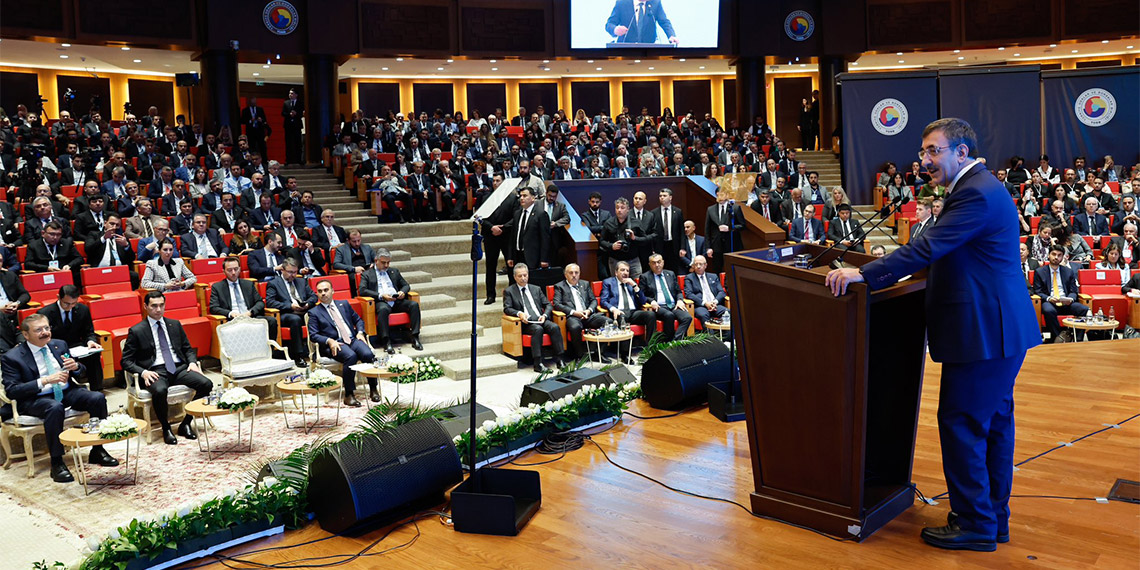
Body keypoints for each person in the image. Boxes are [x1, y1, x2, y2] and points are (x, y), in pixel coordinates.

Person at [825, 117, 1040, 552]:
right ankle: (991, 517)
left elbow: (928, 248)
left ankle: (977, 524)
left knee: (962, 423)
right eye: (923, 151)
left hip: (985, 333)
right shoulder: (974, 187)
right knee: (992, 425)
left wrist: (865, 273)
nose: (924, 160)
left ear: (961, 152)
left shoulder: (976, 194)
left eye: (933, 151)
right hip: (995, 331)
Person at [1, 314, 117, 482]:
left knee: (97, 398)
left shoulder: (59, 345)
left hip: (66, 390)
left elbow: (80, 371)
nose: (45, 333)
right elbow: (12, 390)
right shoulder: (12, 357)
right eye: (38, 330)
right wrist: (45, 380)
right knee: (54, 407)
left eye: (47, 328)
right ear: (26, 335)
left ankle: (98, 450)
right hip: (36, 398)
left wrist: (76, 366)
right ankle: (57, 463)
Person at [121, 291, 213, 445]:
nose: (158, 309)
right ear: (145, 307)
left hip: (178, 368)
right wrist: (143, 372)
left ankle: (185, 423)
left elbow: (188, 349)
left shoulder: (174, 324)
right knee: (160, 390)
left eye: (161, 305)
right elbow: (125, 361)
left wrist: (191, 362)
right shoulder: (137, 330)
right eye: (154, 306)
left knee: (206, 384)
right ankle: (166, 428)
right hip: (155, 371)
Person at [308, 279, 378, 406]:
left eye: (326, 290)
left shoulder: (344, 304)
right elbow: (313, 335)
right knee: (351, 356)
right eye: (320, 291)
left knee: (367, 354)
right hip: (334, 344)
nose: (323, 293)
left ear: (332, 291)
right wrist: (329, 341)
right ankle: (349, 394)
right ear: (317, 294)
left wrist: (360, 332)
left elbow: (358, 320)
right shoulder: (314, 312)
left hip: (351, 339)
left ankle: (373, 389)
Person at [36, 285, 104, 391]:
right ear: (59, 297)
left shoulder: (83, 309)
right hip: (56, 348)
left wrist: (91, 341)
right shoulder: (45, 313)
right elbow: (43, 338)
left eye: (74, 303)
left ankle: (97, 389)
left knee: (94, 355)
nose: (70, 307)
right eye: (66, 303)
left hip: (77, 347)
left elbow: (88, 332)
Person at [504, 263, 565, 372]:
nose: (523, 278)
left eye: (525, 275)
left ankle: (560, 359)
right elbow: (507, 308)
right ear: (514, 277)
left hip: (540, 318)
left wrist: (545, 315)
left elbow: (548, 304)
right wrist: (519, 314)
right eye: (520, 276)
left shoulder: (536, 289)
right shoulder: (509, 291)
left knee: (554, 327)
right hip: (526, 323)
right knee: (538, 329)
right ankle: (538, 363)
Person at [358, 249, 422, 353]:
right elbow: (362, 290)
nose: (386, 265)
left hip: (396, 300)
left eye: (388, 262)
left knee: (414, 305)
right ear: (376, 260)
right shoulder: (367, 274)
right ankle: (386, 341)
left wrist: (402, 292)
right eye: (383, 263)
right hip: (381, 301)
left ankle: (415, 337)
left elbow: (406, 285)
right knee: (383, 309)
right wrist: (381, 296)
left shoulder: (394, 271)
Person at [265, 258, 317, 366]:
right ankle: (298, 356)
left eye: (295, 272)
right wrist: (290, 306)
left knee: (318, 314)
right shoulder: (273, 283)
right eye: (290, 272)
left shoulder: (302, 281)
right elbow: (270, 302)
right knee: (295, 320)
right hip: (287, 314)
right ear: (282, 270)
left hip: (303, 310)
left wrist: (307, 304)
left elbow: (313, 296)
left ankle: (319, 349)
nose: (292, 275)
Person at [553, 263, 611, 359]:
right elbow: (557, 304)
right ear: (565, 274)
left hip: (588, 315)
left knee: (608, 322)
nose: (574, 275)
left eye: (576, 273)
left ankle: (599, 353)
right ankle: (579, 356)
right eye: (571, 273)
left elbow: (593, 300)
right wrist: (574, 312)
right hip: (573, 316)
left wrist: (589, 310)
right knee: (575, 327)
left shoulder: (585, 284)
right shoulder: (560, 286)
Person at [1034, 245, 1089, 343]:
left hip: (1066, 302)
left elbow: (1074, 291)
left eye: (1059, 255)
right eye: (1053, 254)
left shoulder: (1068, 272)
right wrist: (1049, 298)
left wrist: (1070, 299)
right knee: (1048, 310)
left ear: (1063, 257)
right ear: (1048, 255)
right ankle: (1058, 337)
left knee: (1083, 309)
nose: (1056, 257)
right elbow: (1038, 291)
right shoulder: (1040, 272)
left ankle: (1077, 338)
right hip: (1050, 302)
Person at [598, 261, 656, 343]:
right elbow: (603, 301)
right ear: (616, 272)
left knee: (651, 315)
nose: (625, 273)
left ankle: (650, 346)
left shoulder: (631, 283)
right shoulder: (608, 282)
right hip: (619, 312)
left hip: (633, 313)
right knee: (622, 318)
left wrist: (635, 286)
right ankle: (625, 351)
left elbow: (643, 301)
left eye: (627, 271)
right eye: (622, 270)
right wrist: (613, 309)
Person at [639, 253, 691, 340]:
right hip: (659, 306)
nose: (657, 265)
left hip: (674, 306)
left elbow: (678, 291)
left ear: (663, 262)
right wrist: (651, 301)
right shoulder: (645, 277)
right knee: (669, 315)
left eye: (659, 262)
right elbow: (642, 295)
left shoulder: (670, 274)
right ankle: (667, 341)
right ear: (649, 264)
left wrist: (680, 300)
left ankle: (675, 340)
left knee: (687, 317)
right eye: (654, 263)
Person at [505, 187, 550, 284]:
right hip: (517, 255)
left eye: (525, 196)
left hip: (532, 257)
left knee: (532, 284)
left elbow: (545, 238)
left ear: (533, 198)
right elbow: (513, 236)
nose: (521, 198)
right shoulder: (517, 214)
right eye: (520, 196)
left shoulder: (541, 214)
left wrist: (544, 259)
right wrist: (510, 256)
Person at [84, 214, 140, 288]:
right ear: (105, 223)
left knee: (134, 276)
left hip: (118, 271)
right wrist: (103, 238)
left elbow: (131, 258)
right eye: (112, 224)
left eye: (117, 225)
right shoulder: (94, 235)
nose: (114, 227)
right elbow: (88, 250)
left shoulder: (122, 238)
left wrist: (126, 246)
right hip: (99, 270)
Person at [600, 197, 648, 277]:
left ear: (628, 209)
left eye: (622, 208)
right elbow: (601, 241)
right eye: (617, 207)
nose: (619, 210)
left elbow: (645, 240)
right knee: (617, 286)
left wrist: (634, 238)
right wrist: (611, 246)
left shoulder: (636, 222)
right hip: (615, 260)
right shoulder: (609, 223)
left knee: (637, 284)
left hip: (633, 260)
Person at [704, 187, 743, 273]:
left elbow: (742, 225)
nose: (720, 196)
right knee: (717, 269)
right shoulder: (710, 209)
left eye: (722, 194)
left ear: (727, 195)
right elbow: (707, 230)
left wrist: (729, 228)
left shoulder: (735, 208)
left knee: (732, 269)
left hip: (731, 244)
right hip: (716, 245)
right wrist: (708, 247)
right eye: (718, 194)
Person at [605, 0, 678, 45]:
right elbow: (609, 24)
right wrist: (615, 29)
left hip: (648, 51)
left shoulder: (655, 3)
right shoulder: (622, 3)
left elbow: (664, 22)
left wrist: (671, 35)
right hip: (625, 50)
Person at [684, 255, 727, 330]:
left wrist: (715, 302)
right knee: (704, 315)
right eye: (696, 264)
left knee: (727, 312)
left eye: (700, 264)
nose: (698, 266)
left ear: (705, 265)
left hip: (715, 305)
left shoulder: (713, 276)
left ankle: (726, 339)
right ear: (693, 266)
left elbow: (721, 292)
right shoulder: (689, 278)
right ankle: (712, 340)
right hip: (701, 306)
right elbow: (689, 294)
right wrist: (705, 303)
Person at [652, 188, 684, 274]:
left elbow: (682, 231)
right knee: (660, 268)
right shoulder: (654, 213)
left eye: (664, 196)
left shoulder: (677, 212)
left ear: (670, 197)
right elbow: (651, 232)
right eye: (660, 196)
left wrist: (682, 247)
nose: (662, 198)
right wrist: (653, 248)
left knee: (674, 268)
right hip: (660, 245)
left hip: (673, 245)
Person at [282, 89, 304, 165]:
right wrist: (289, 114)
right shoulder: (286, 103)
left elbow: (302, 113)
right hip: (288, 125)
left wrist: (296, 114)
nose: (290, 95)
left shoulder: (300, 103)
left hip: (297, 125)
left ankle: (299, 159)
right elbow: (283, 113)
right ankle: (288, 160)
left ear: (296, 95)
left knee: (298, 143)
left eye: (292, 93)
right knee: (288, 143)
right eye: (289, 93)